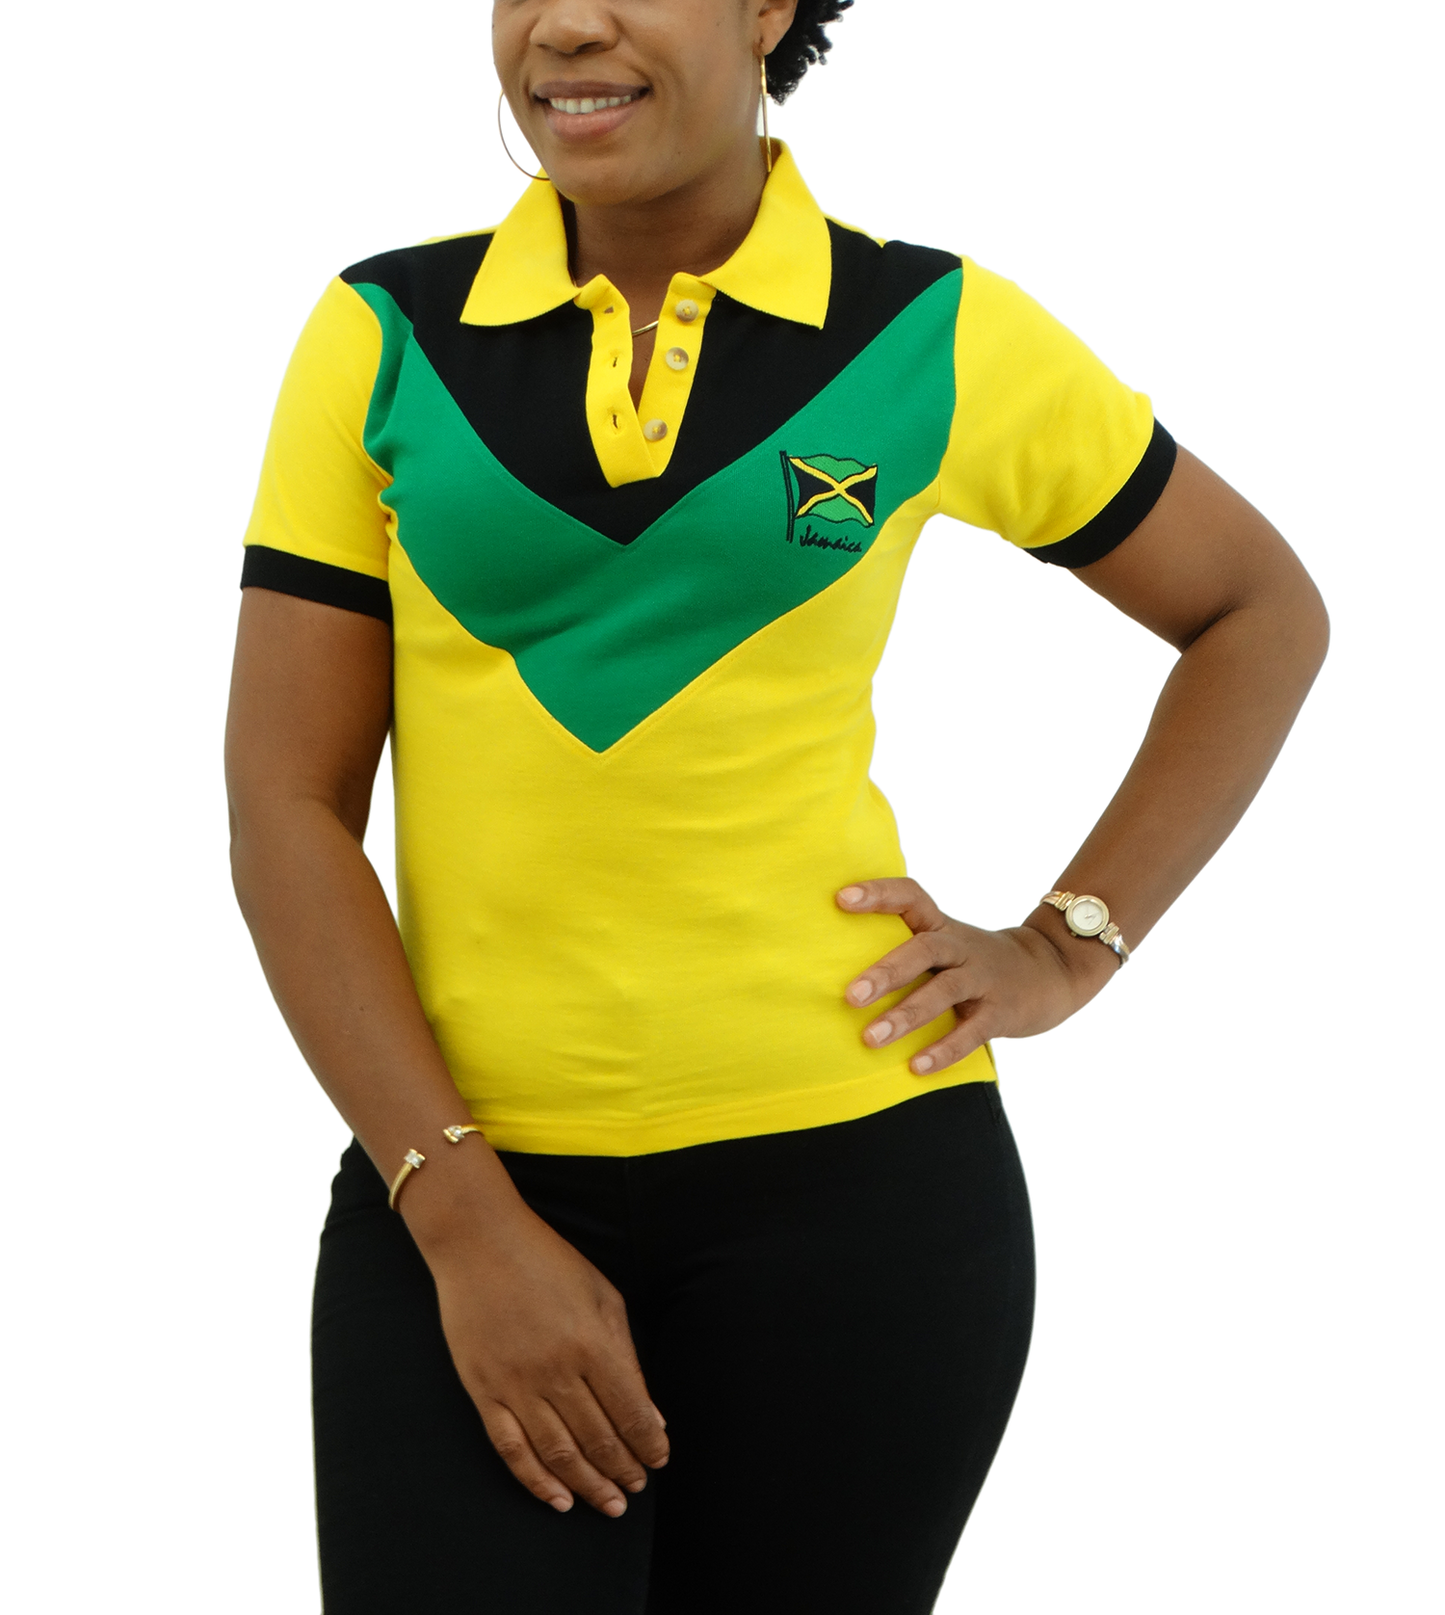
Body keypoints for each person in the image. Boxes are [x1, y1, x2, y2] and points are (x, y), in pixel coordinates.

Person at [225, 2, 1328, 1610]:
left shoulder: (929, 332)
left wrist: (1064, 945)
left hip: (863, 1205)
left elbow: (1257, 609)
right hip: (450, 1184)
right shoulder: (383, 333)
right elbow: (286, 802)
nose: (565, 23)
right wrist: (462, 1217)